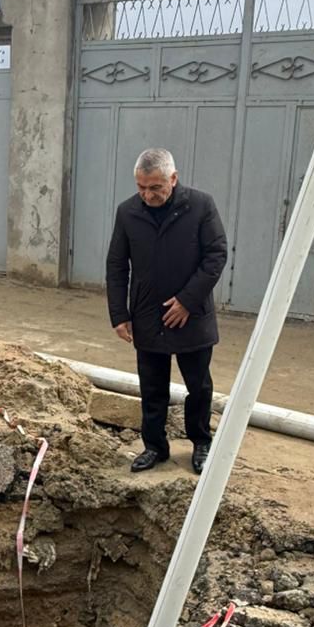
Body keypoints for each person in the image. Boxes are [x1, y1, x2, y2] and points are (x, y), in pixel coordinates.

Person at [106, 148, 227, 474]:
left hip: (192, 314)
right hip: (148, 315)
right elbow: (117, 265)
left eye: (156, 187)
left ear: (173, 179)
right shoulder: (128, 212)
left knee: (199, 386)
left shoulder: (200, 205)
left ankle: (201, 443)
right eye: (141, 187)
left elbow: (216, 256)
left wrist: (187, 300)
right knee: (152, 387)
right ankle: (155, 447)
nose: (148, 195)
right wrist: (119, 314)